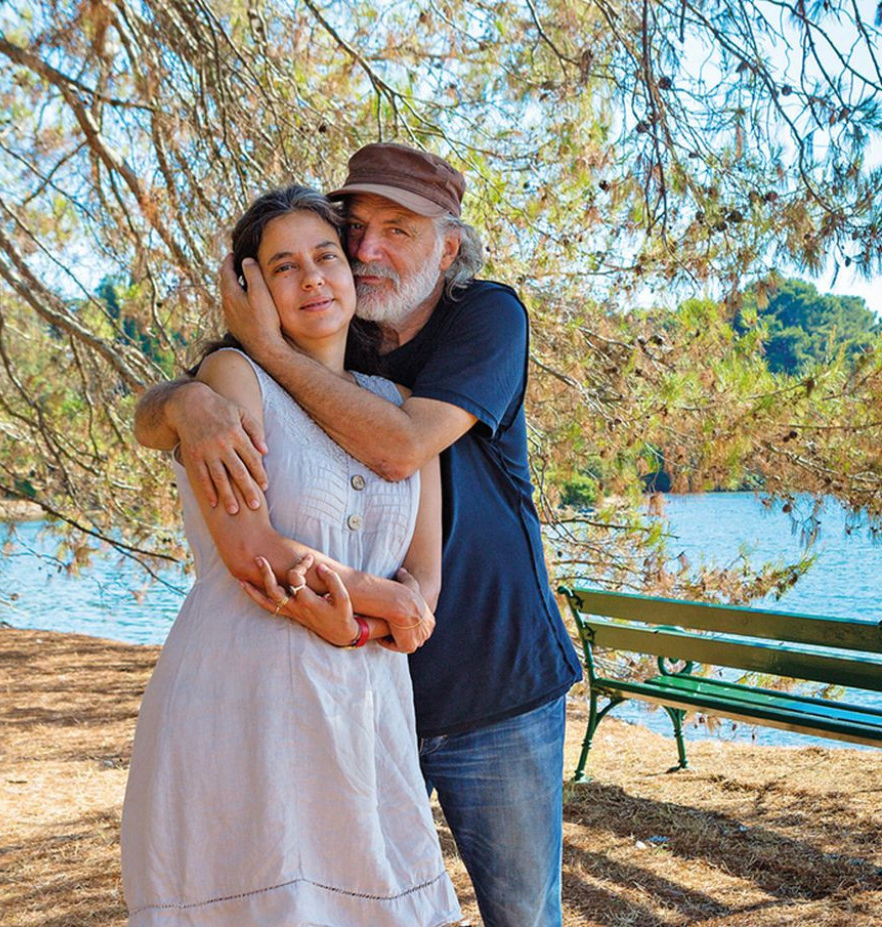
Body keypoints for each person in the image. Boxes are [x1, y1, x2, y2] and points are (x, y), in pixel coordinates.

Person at [135, 145, 583, 927]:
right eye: (358, 230)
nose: (366, 250)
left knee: (518, 914)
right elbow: (209, 435)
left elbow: (401, 448)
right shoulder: (334, 337)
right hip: (352, 691)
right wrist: (183, 400)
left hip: (490, 682)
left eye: (398, 229)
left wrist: (263, 349)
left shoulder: (484, 318)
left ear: (447, 247)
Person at [121, 185, 461, 927]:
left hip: (366, 711)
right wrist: (389, 601)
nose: (311, 278)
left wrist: (364, 626)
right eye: (283, 266)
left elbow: (424, 580)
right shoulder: (230, 379)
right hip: (247, 700)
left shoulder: (399, 403)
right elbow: (253, 552)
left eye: (325, 256)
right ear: (249, 289)